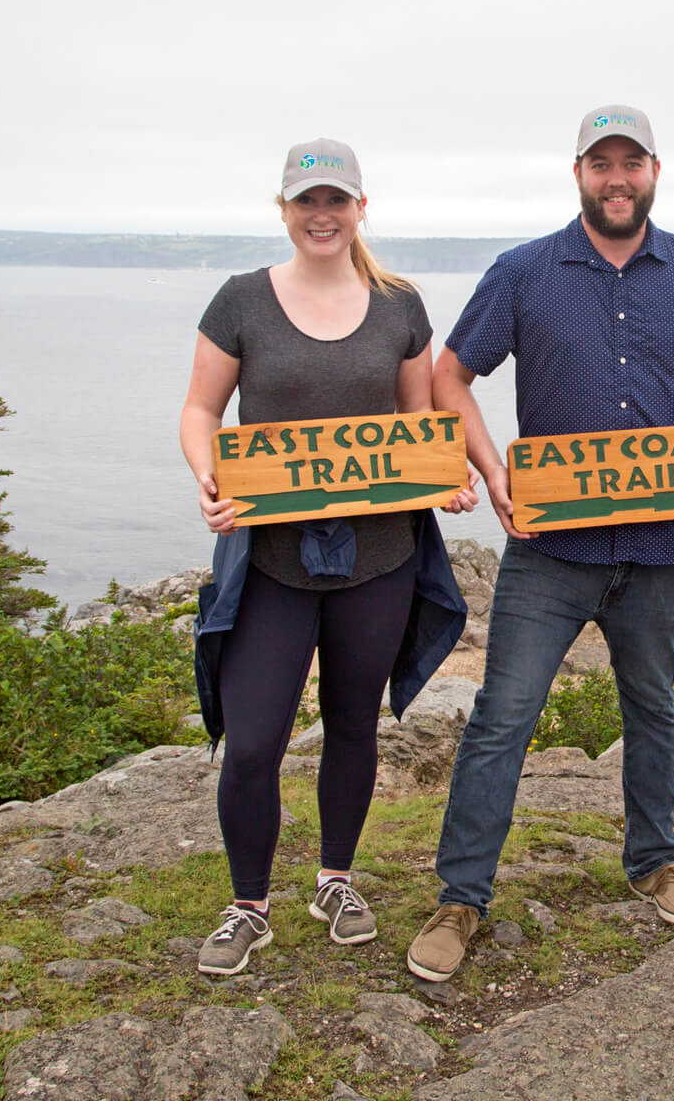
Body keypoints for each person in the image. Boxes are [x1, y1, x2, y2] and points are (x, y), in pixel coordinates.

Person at [405, 105, 674, 983]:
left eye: (629, 163)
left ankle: (655, 864)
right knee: (500, 722)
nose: (616, 178)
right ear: (577, 175)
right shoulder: (524, 271)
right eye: (599, 163)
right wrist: (491, 473)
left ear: (653, 171)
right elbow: (451, 376)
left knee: (655, 714)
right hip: (549, 552)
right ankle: (461, 899)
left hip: (659, 549)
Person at [179, 138, 476, 975]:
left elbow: (421, 429)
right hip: (270, 560)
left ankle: (335, 880)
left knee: (354, 726)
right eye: (306, 201)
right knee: (253, 740)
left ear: (359, 208)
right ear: (283, 209)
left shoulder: (399, 305)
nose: (321, 215)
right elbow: (201, 411)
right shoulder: (240, 300)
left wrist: (445, 481)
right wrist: (208, 476)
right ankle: (248, 905)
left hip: (379, 558)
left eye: (335, 201)